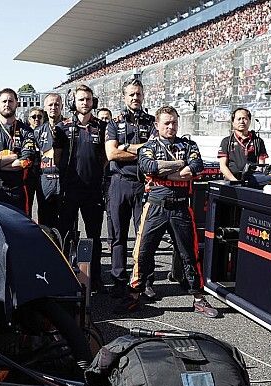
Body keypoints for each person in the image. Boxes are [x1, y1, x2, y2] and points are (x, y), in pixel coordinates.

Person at [119, 105, 218, 318]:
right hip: (155, 206)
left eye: (174, 122)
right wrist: (179, 167)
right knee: (142, 253)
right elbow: (149, 167)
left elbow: (197, 166)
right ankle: (134, 295)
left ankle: (199, 298)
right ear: (157, 125)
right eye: (166, 123)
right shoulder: (148, 146)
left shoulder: (188, 144)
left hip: (181, 206)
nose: (171, 126)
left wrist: (167, 172)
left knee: (190, 255)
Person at [105, 78, 155, 298]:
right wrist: (140, 149)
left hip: (144, 184)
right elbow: (112, 154)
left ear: (143, 96)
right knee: (118, 236)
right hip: (119, 183)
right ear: (124, 97)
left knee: (145, 235)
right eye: (131, 94)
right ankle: (118, 280)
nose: (135, 98)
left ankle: (145, 280)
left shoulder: (152, 122)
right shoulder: (114, 123)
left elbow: (155, 150)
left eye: (138, 94)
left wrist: (126, 146)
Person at [55, 85, 106, 290]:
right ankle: (62, 273)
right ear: (73, 102)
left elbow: (104, 157)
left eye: (88, 99)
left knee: (94, 235)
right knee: (65, 233)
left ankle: (95, 277)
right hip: (70, 189)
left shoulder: (102, 127)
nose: (85, 103)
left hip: (93, 190)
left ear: (94, 102)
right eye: (81, 99)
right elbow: (57, 158)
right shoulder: (63, 128)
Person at [0, 88, 36, 214]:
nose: (7, 104)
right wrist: (15, 157)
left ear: (17, 103)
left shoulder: (26, 131)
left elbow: (27, 160)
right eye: (4, 101)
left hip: (19, 190)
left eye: (10, 101)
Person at [35, 94, 65, 228]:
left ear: (62, 107)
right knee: (45, 220)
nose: (54, 107)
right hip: (45, 180)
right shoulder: (37, 132)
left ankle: (67, 248)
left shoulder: (69, 128)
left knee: (67, 221)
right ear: (45, 108)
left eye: (57, 104)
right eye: (50, 105)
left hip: (65, 180)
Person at [218, 107, 268, 182]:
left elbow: (261, 165)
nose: (242, 121)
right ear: (233, 122)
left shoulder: (258, 141)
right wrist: (235, 181)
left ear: (249, 121)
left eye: (244, 118)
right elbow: (223, 166)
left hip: (252, 182)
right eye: (239, 119)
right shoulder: (226, 142)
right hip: (231, 182)